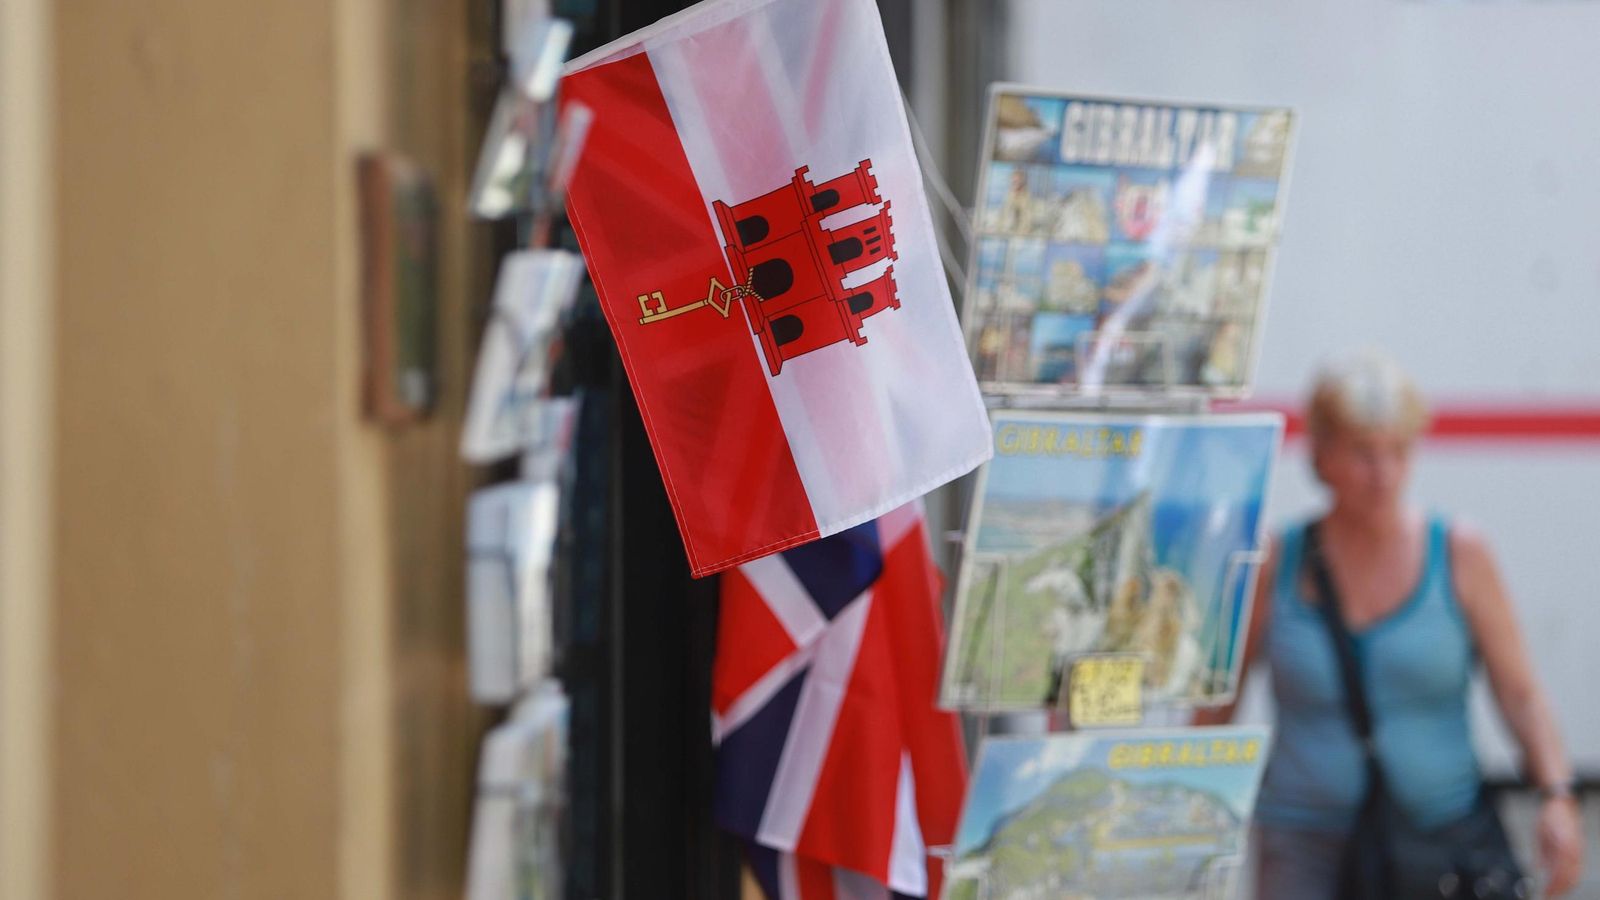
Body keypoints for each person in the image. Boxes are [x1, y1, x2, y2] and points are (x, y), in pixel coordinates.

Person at [1198, 349, 1585, 898]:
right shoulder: (1275, 563)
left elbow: (1520, 693)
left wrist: (1556, 795)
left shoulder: (1459, 553)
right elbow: (1216, 702)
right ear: (1323, 458)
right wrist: (1181, 815)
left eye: (1399, 452)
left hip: (1437, 835)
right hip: (1304, 843)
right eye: (1363, 454)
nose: (1384, 475)